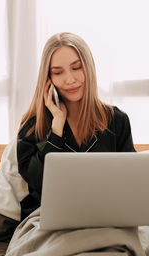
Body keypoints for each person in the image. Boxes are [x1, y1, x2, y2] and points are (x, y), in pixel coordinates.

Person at [17, 32, 135, 220]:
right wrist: (55, 131)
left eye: (76, 68)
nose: (70, 79)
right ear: (47, 79)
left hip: (104, 218)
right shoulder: (32, 125)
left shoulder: (116, 120)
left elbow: (131, 181)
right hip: (48, 220)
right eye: (58, 72)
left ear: (88, 68)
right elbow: (38, 182)